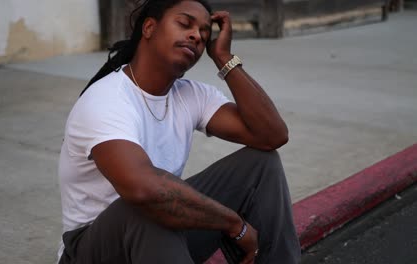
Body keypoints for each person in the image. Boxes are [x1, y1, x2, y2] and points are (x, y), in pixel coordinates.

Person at [57, 0, 301, 263]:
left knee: (261, 165)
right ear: (149, 27)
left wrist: (225, 59)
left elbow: (272, 135)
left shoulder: (191, 95)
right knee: (148, 205)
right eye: (185, 24)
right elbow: (143, 190)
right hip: (95, 250)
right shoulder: (107, 99)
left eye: (205, 33)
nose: (196, 35)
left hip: (159, 239)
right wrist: (234, 224)